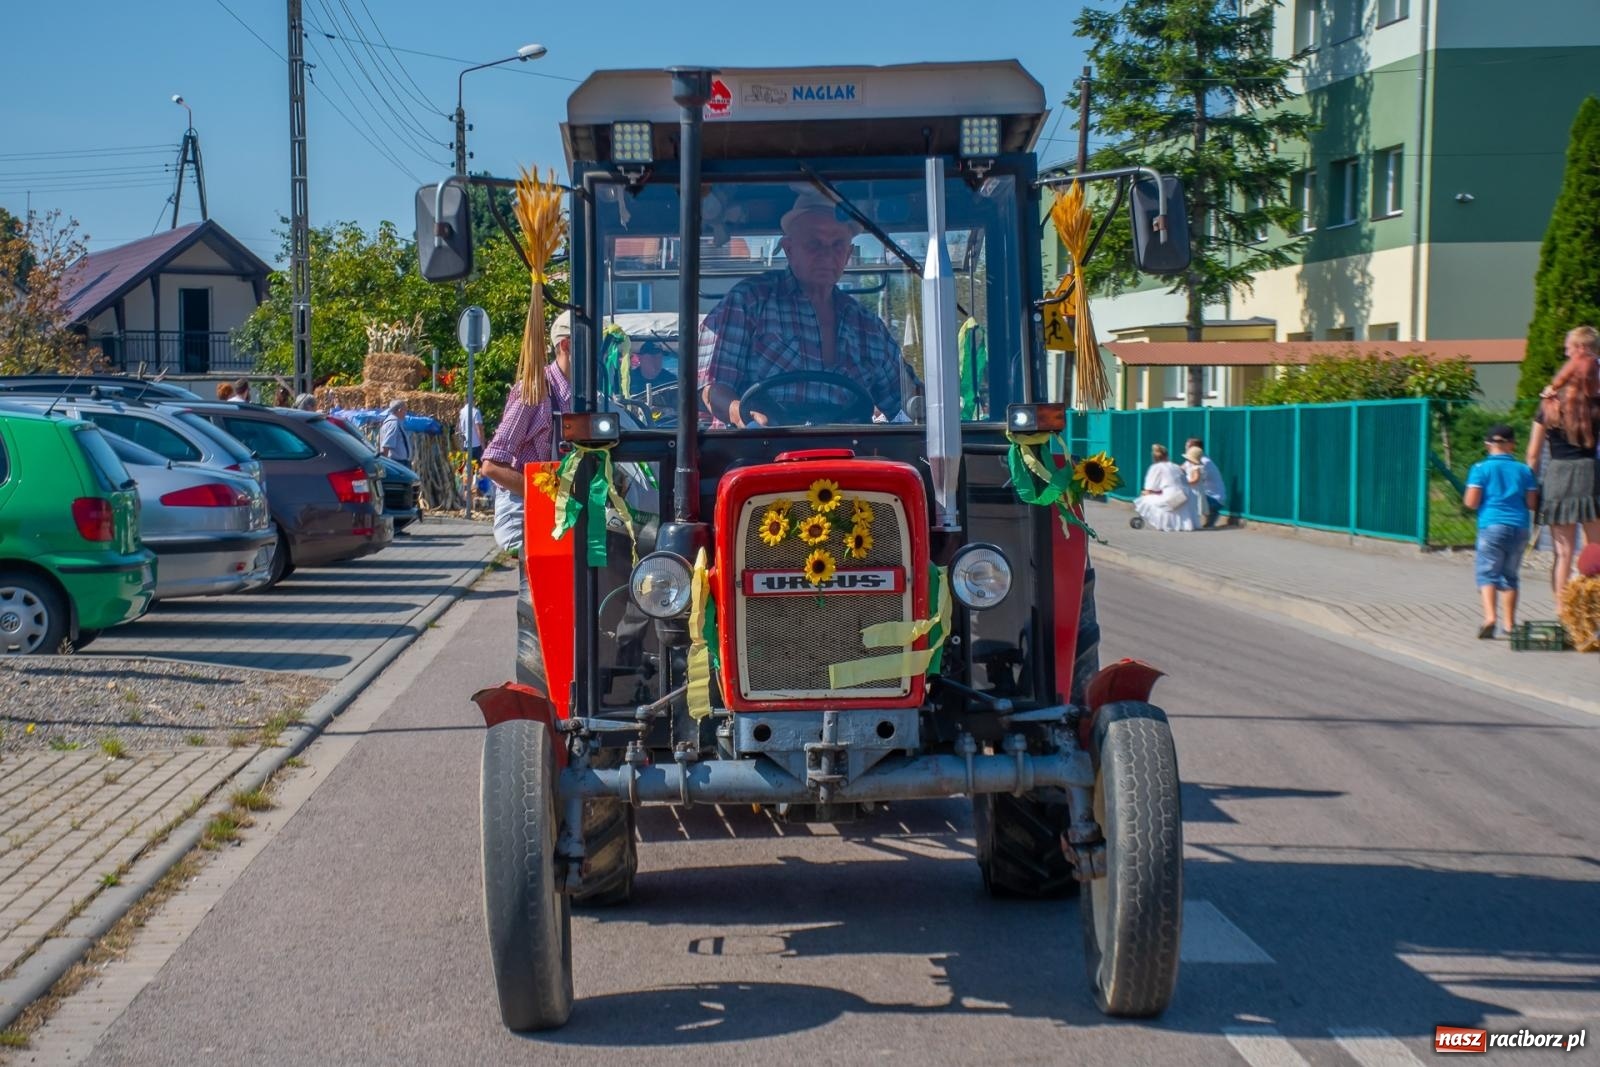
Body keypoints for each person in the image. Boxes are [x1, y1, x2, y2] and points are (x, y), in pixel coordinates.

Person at [698, 189, 907, 426]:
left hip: (850, 454)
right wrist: (743, 414)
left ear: (848, 253)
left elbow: (909, 401)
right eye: (814, 244)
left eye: (838, 244)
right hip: (763, 450)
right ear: (788, 249)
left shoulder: (868, 327)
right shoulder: (748, 302)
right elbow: (713, 390)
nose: (827, 255)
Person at [480, 312, 573, 551]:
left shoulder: (583, 395)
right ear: (566, 345)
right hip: (523, 512)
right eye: (596, 345)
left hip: (561, 512)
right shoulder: (534, 392)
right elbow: (491, 465)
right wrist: (546, 496)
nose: (602, 355)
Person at [1527, 362, 1600, 604]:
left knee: (1563, 552)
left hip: (1557, 477)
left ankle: (1563, 611)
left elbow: (1533, 454)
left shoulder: (1549, 405)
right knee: (1594, 549)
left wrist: (1530, 488)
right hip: (1589, 475)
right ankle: (1590, 609)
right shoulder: (1596, 406)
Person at [1464, 424, 1539, 639]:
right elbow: (1532, 503)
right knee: (1510, 576)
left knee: (1487, 573)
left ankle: (1490, 618)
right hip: (1519, 527)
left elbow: (1471, 502)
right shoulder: (1524, 470)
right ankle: (1509, 624)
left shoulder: (1480, 469)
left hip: (1492, 526)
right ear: (1512, 445)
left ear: (1487, 445)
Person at [1134, 444, 1199, 532]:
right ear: (1167, 456)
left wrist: (1147, 492)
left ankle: (1157, 522)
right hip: (1186, 497)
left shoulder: (1156, 467)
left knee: (1144, 499)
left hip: (1172, 498)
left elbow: (1150, 488)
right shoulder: (1176, 466)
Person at [1183, 440, 1228, 528]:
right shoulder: (1194, 459)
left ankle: (1212, 513)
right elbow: (1181, 468)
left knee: (1188, 497)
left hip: (1215, 499)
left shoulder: (1203, 462)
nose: (1185, 449)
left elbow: (1195, 479)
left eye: (1187, 447)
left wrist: (1185, 481)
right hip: (1206, 495)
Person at [379, 398, 412, 467]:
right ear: (399, 410)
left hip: (399, 462)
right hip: (397, 463)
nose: (406, 413)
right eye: (405, 410)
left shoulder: (393, 422)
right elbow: (387, 445)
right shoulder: (394, 423)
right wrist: (386, 464)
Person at [457, 399, 485, 463]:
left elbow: (459, 428)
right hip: (476, 445)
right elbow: (479, 429)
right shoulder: (475, 412)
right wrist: (483, 446)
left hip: (466, 444)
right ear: (473, 401)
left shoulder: (461, 412)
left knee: (468, 468)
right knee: (478, 468)